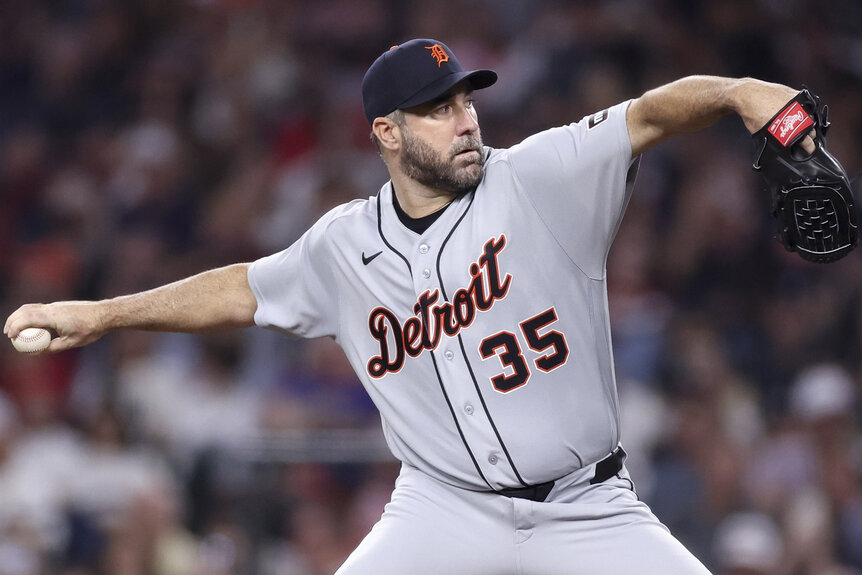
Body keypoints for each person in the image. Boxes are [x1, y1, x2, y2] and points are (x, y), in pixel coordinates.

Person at [5, 38, 816, 574]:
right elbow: (243, 288)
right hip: (443, 506)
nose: (465, 120)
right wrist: (102, 314)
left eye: (466, 100)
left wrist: (743, 92)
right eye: (439, 108)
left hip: (588, 503)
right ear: (386, 134)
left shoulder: (539, 176)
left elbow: (650, 113)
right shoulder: (341, 245)